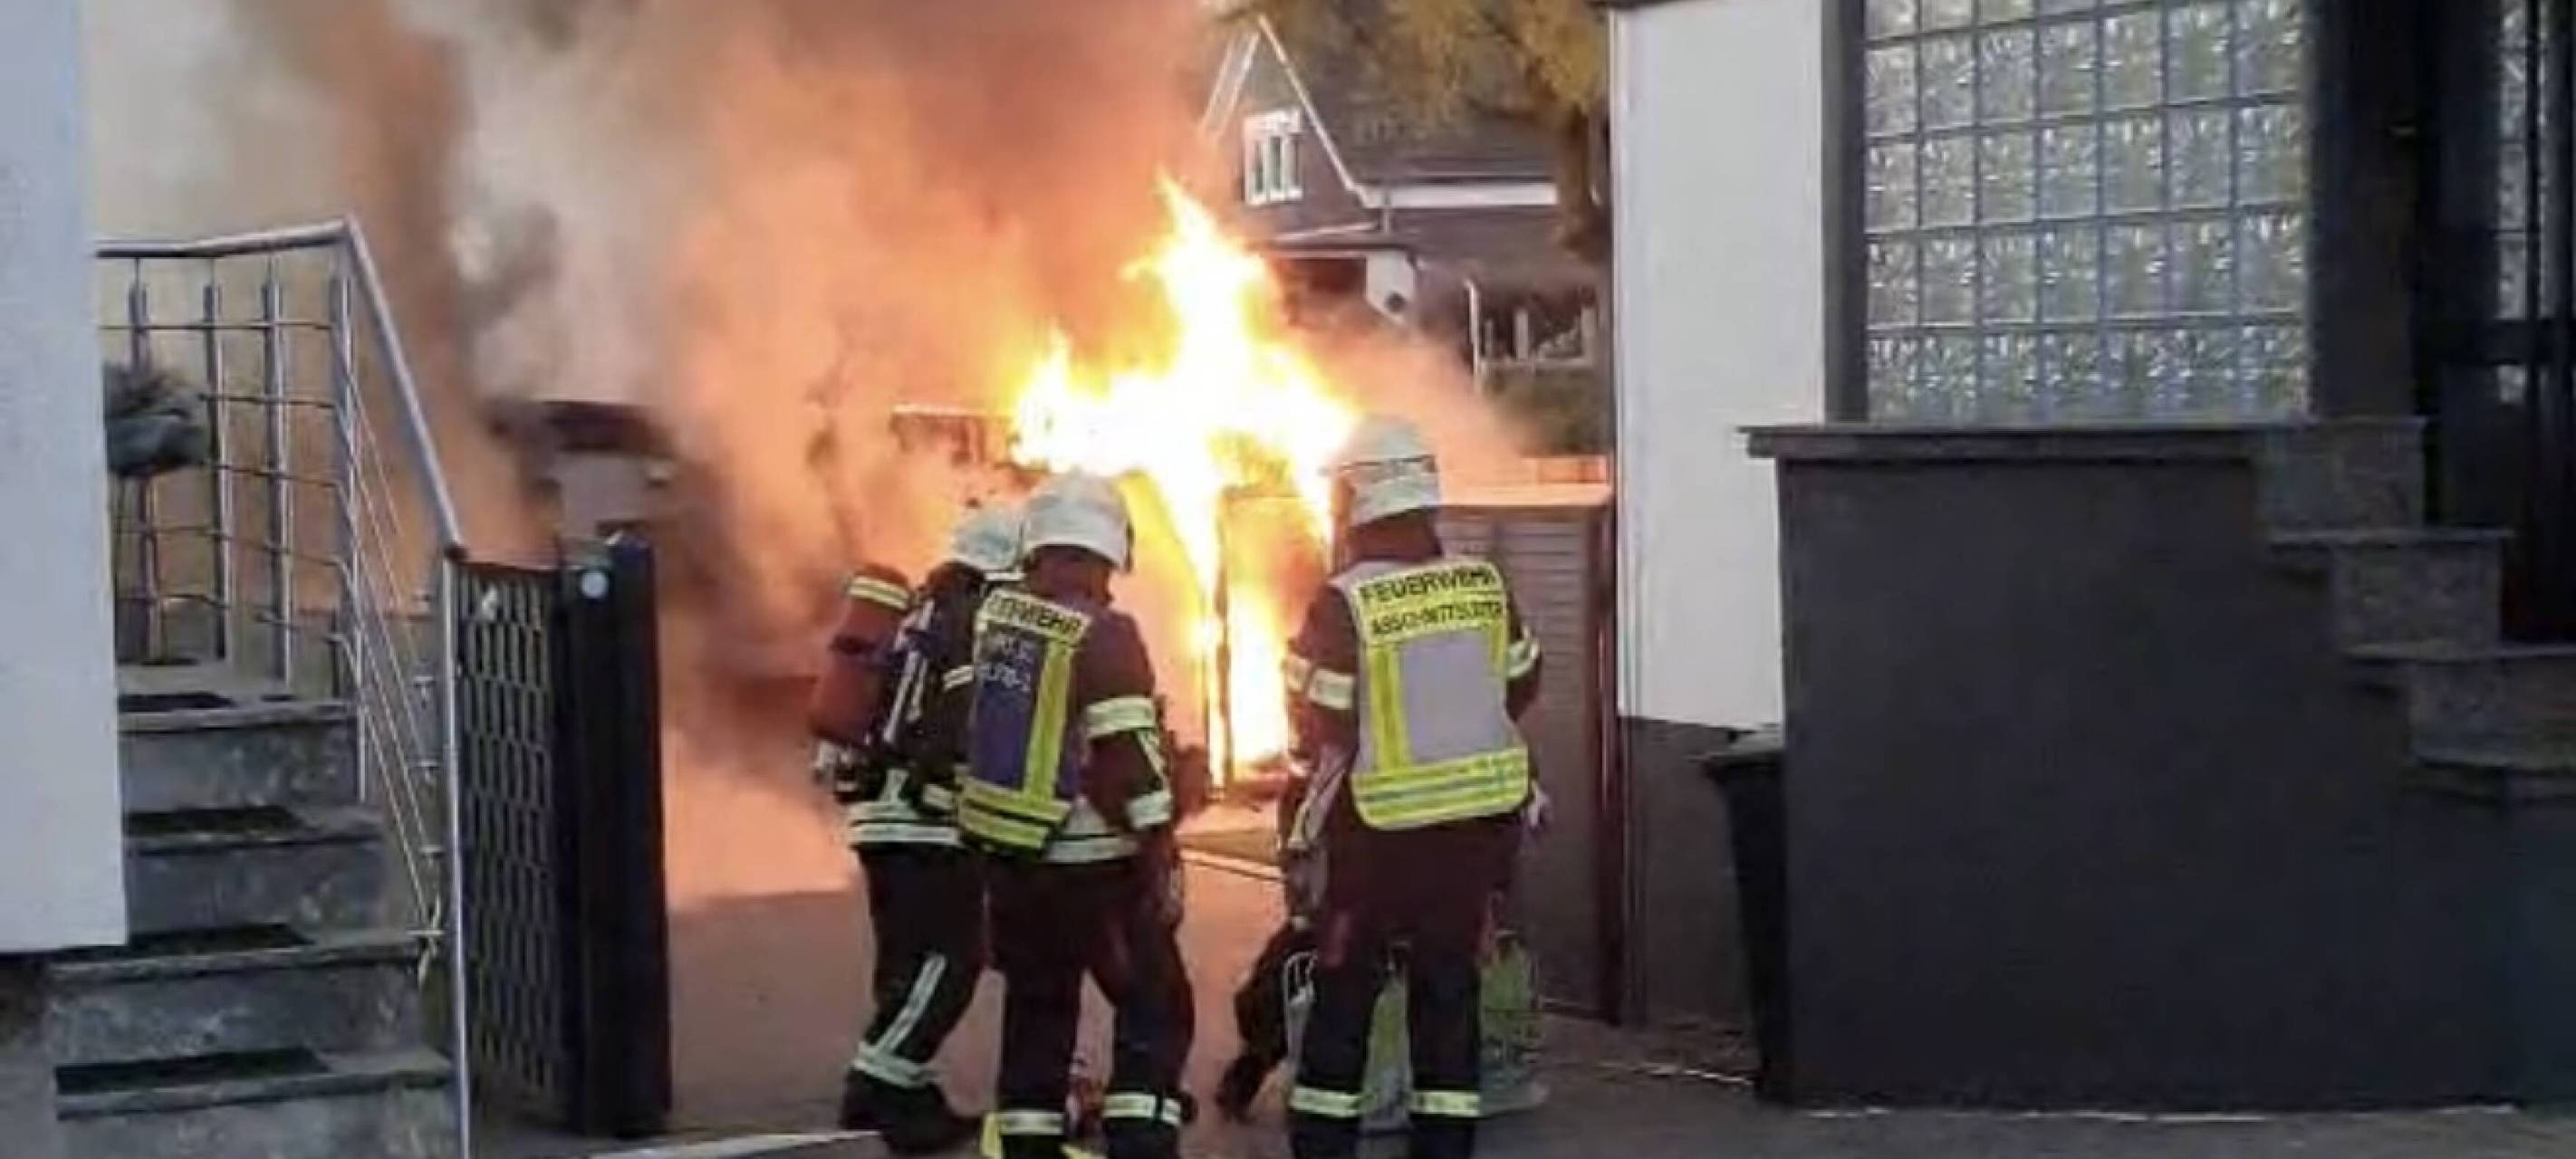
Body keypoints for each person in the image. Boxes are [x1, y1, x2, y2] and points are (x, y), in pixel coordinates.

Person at [1282, 416, 1543, 1159]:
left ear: (1356, 500)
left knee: (1344, 996)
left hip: (1375, 836)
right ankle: (1444, 1147)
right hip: (1472, 835)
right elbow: (1522, 681)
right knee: (1447, 991)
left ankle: (1326, 1147)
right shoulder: (1482, 585)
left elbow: (1322, 711)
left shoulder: (1345, 601)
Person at [960, 474, 1194, 1159]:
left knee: (1039, 1019)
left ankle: (1029, 1146)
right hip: (1096, 868)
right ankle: (1141, 1142)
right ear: (1103, 553)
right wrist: (1165, 821)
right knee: (1156, 1010)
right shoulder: (1106, 633)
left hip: (1013, 867)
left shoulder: (997, 622)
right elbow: (1126, 769)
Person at [824, 503, 1023, 1153]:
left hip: (878, 811)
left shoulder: (916, 608)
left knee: (906, 958)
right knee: (955, 957)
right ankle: (881, 1085)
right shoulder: (971, 619)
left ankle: (899, 1086)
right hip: (926, 817)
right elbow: (963, 721)